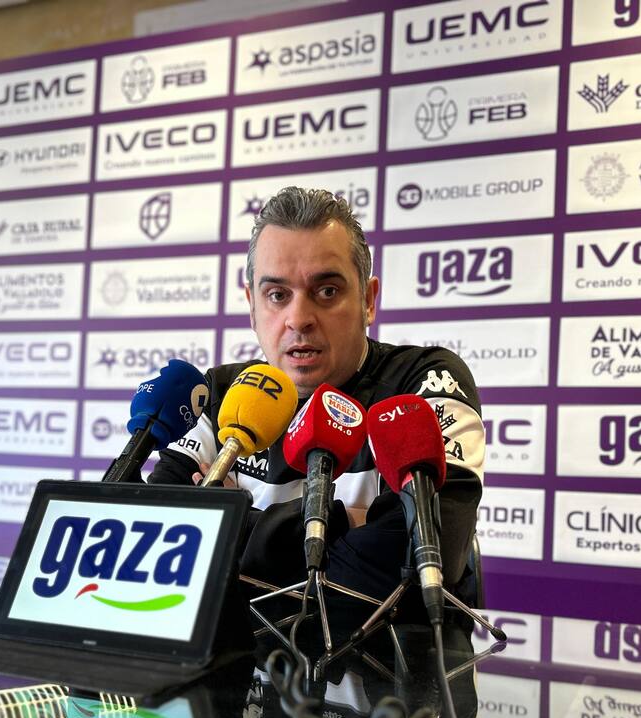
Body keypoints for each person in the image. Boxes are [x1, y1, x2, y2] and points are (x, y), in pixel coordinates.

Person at [148, 187, 486, 625]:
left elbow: (411, 566)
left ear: (367, 300)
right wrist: (349, 524)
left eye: (326, 291)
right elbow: (152, 538)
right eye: (277, 295)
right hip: (242, 671)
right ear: (252, 306)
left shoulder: (424, 381)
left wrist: (231, 524)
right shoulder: (226, 391)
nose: (298, 318)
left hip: (390, 676)